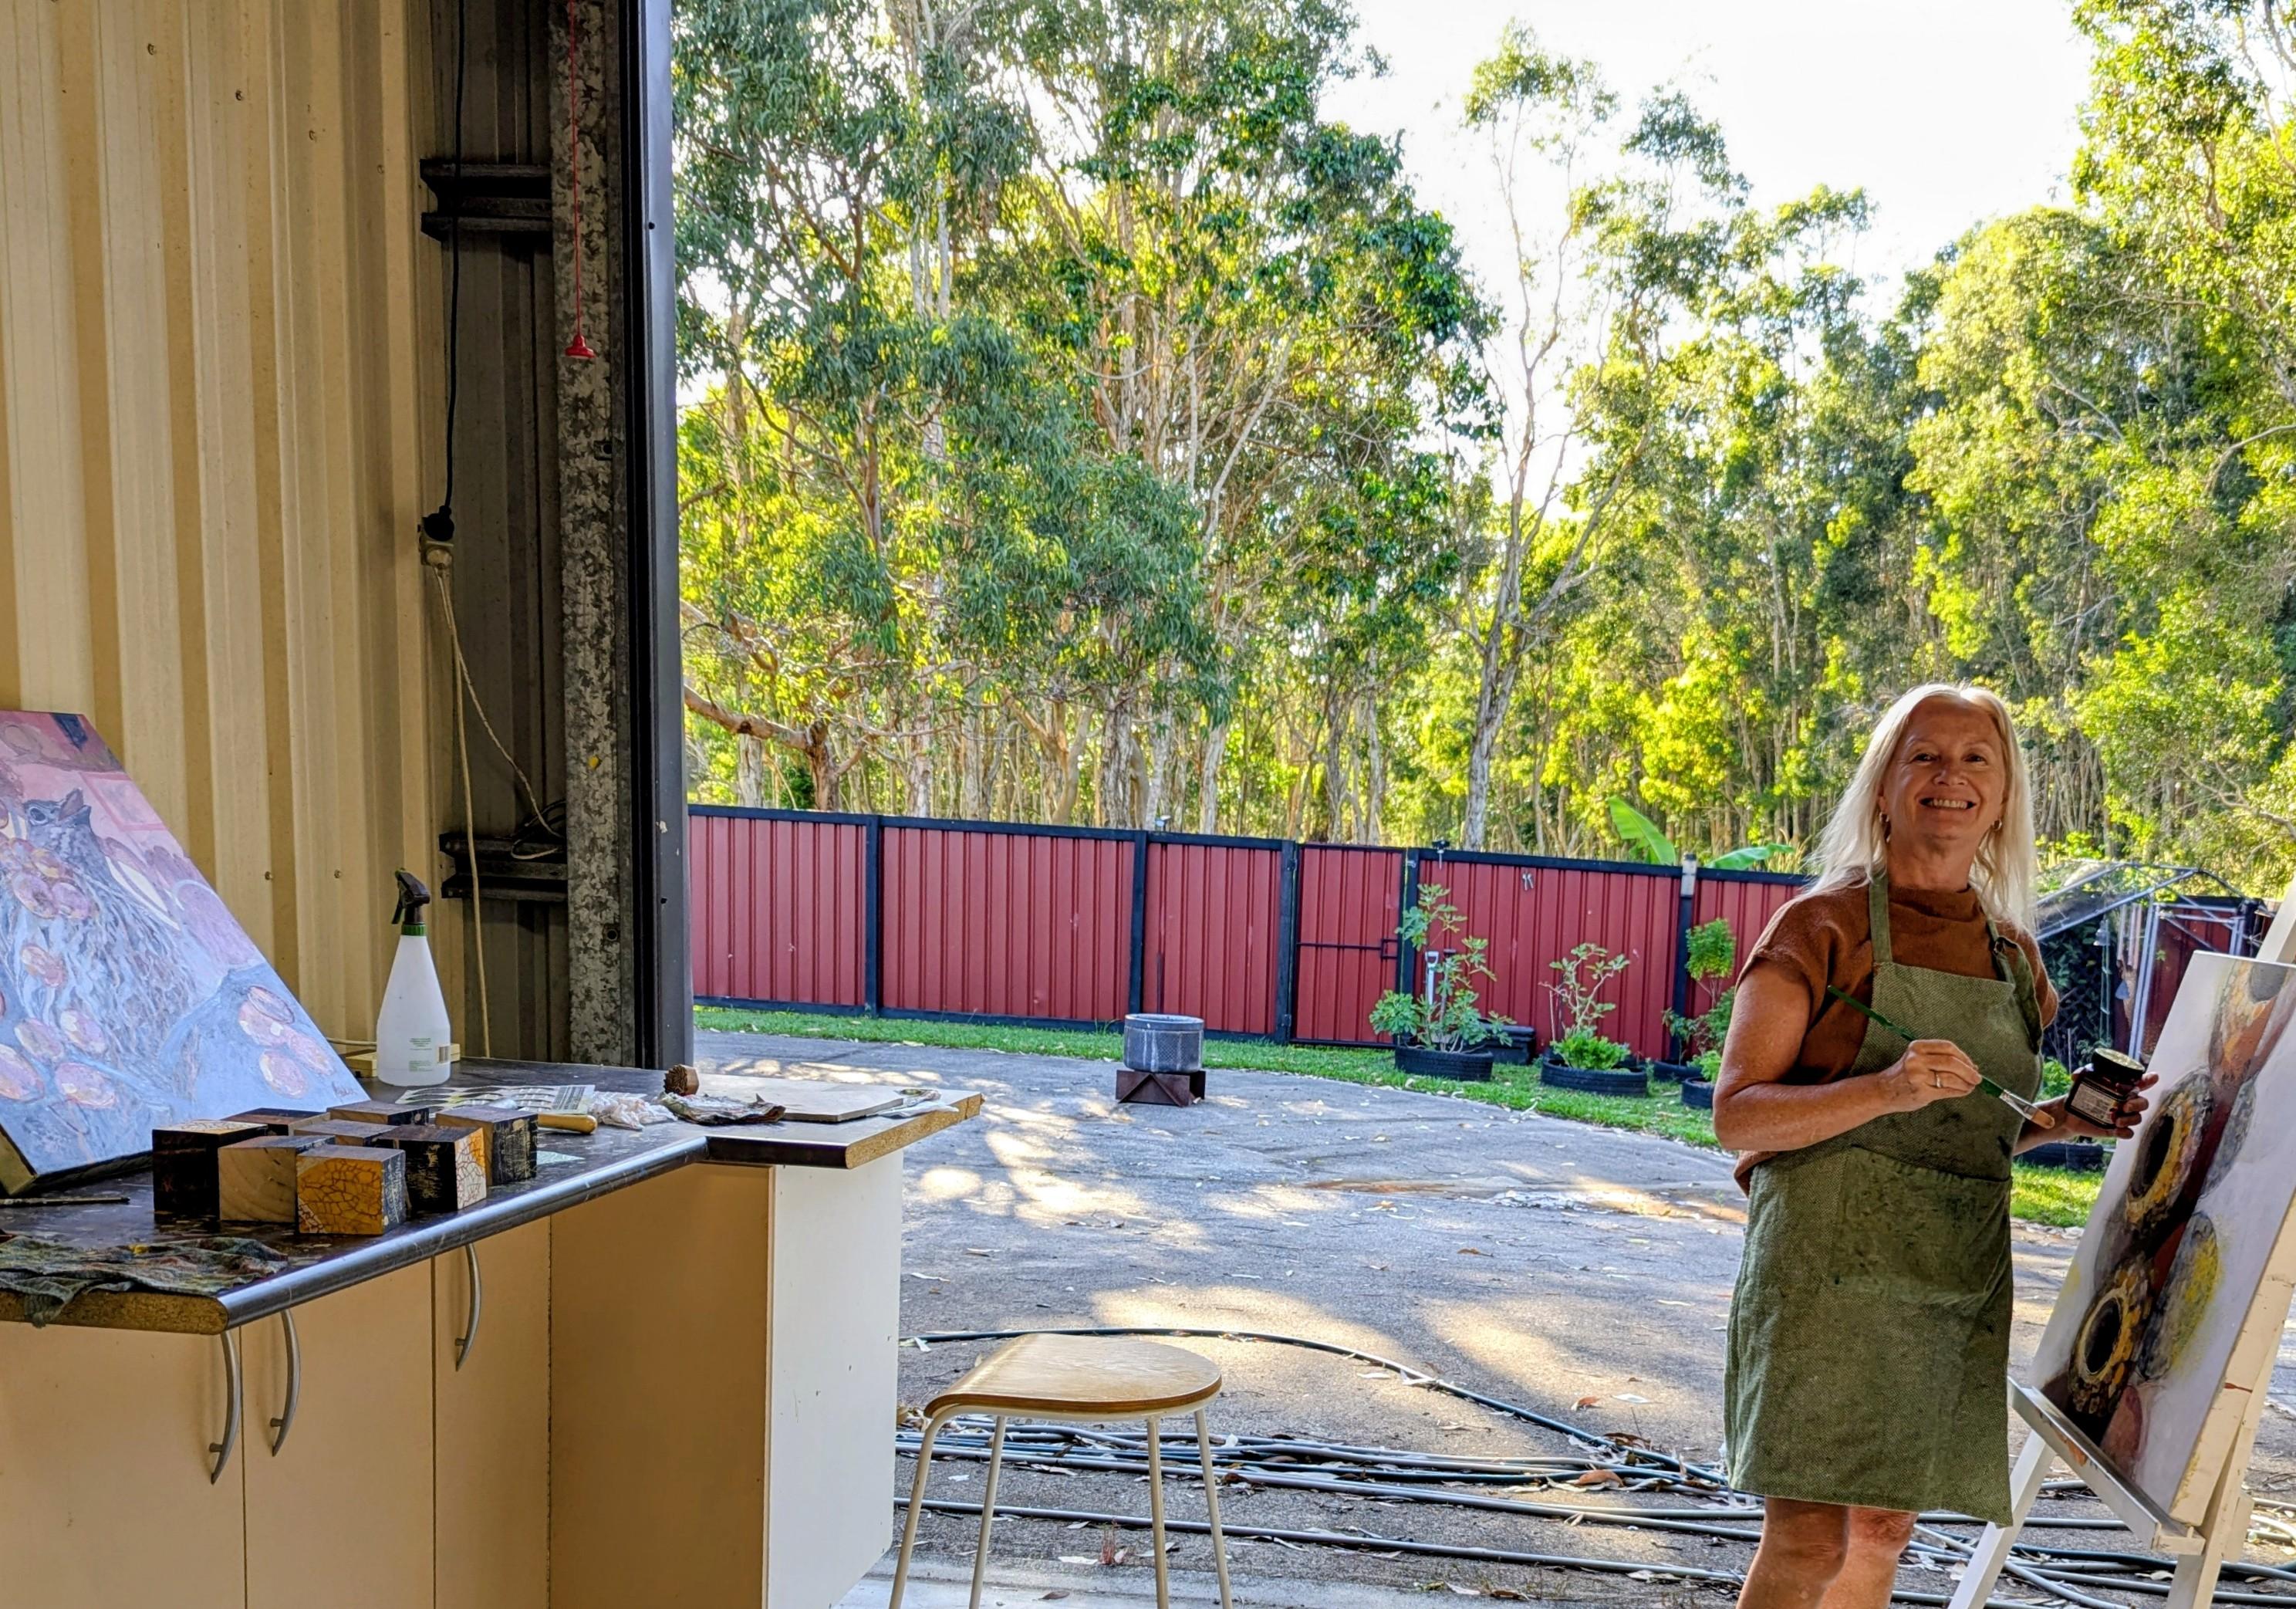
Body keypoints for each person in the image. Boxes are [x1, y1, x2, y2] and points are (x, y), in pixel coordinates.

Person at [1712, 685, 2153, 1609]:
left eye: (1975, 760)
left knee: (1884, 1530)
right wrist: (1884, 1088)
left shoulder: (2013, 956)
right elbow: (1738, 1117)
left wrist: (2057, 1121)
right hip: (1822, 1278)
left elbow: (1967, 1133)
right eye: (1925, 756)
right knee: (1809, 1536)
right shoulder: (1819, 927)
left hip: (1947, 1278)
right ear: (1884, 786)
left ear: (2002, 797)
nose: (1950, 777)